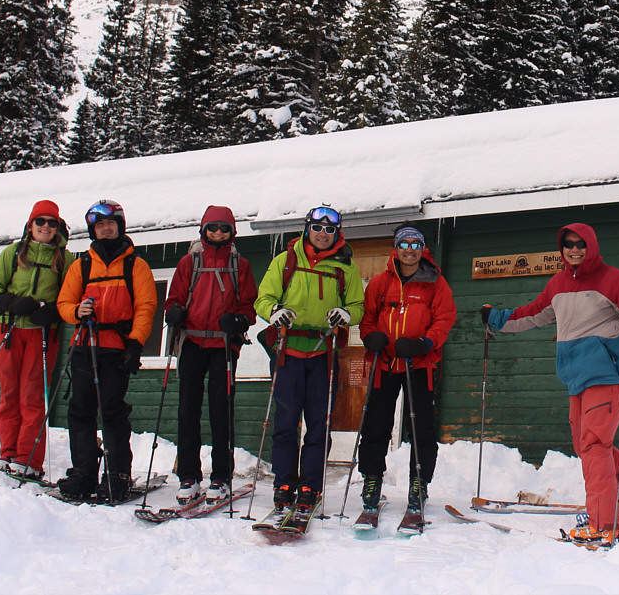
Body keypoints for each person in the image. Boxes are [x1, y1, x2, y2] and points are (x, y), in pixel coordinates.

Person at [482, 223, 619, 544]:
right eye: (568, 244)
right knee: (589, 446)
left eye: (580, 244)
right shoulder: (558, 284)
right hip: (576, 378)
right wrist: (497, 318)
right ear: (562, 248)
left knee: (593, 445)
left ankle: (603, 525)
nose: (575, 249)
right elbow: (534, 313)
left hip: (607, 375)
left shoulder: (612, 278)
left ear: (591, 245)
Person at [254, 205, 364, 516]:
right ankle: (283, 484)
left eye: (330, 230)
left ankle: (309, 487)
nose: (323, 234)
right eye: (317, 228)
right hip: (287, 350)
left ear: (337, 233)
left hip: (323, 352)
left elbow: (357, 305)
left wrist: (347, 314)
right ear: (307, 228)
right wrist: (274, 312)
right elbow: (263, 298)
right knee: (286, 422)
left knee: (319, 423)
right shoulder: (286, 261)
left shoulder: (346, 268)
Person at [54, 200, 157, 502]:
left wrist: (136, 343)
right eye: (100, 225)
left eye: (111, 224)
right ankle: (84, 472)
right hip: (85, 347)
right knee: (80, 411)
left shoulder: (135, 265)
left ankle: (117, 475)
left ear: (120, 227)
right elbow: (64, 304)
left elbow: (146, 306)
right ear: (93, 230)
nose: (106, 228)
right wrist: (77, 311)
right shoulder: (81, 265)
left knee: (112, 413)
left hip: (117, 351)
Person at [357, 222, 456, 515]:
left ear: (422, 248)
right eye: (404, 244)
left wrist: (426, 342)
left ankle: (419, 482)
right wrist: (369, 336)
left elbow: (445, 318)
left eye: (415, 245)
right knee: (376, 425)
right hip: (385, 362)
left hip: (419, 362)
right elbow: (368, 317)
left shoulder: (435, 282)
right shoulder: (380, 282)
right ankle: (372, 479)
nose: (410, 250)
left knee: (421, 426)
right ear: (396, 248)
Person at [163, 205, 257, 503]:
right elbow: (173, 299)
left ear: (232, 231)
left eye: (224, 228)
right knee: (187, 411)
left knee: (221, 412)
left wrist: (240, 321)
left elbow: (249, 306)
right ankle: (188, 476)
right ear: (203, 230)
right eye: (213, 228)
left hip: (223, 346)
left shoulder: (239, 265)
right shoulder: (188, 262)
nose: (218, 233)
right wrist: (173, 313)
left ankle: (221, 477)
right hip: (191, 343)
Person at [0, 200, 74, 480]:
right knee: (9, 395)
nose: (46, 227)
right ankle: (8, 453)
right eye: (40, 221)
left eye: (52, 222)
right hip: (10, 330)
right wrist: (10, 301)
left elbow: (72, 294)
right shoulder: (13, 253)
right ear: (30, 225)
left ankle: (29, 459)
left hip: (42, 334)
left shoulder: (65, 259)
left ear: (59, 227)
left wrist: (53, 312)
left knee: (32, 397)